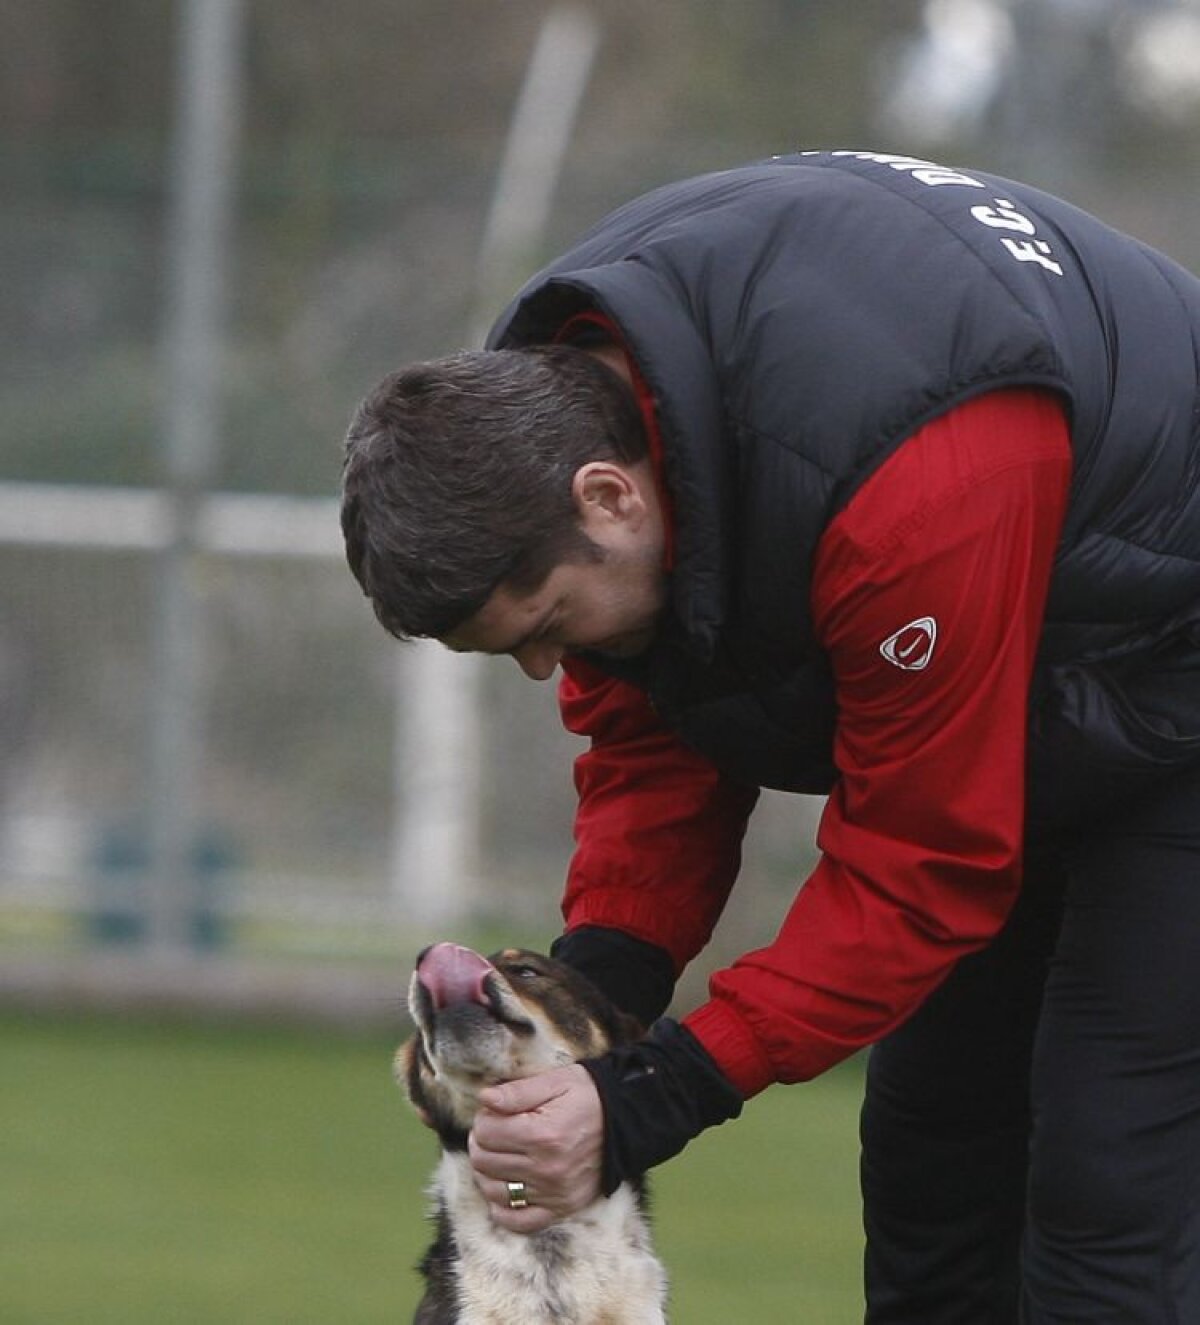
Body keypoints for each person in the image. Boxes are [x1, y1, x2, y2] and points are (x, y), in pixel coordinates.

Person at [339, 150, 1200, 1322]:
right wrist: (598, 994)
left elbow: (922, 868)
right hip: (1047, 669)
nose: (547, 668)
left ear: (608, 497)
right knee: (932, 1159)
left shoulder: (911, 473)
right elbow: (655, 734)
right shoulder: (559, 397)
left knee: (1109, 1176)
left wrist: (654, 1092)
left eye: (544, 626)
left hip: (1173, 681)